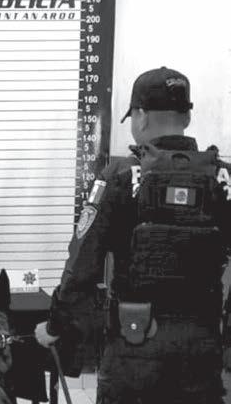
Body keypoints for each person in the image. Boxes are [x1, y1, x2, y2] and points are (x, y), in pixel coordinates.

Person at [35, 67, 231, 403]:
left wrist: (56, 327)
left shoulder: (119, 176)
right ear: (186, 116)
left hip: (132, 347)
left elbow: (82, 266)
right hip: (201, 350)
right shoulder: (222, 178)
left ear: (140, 116)